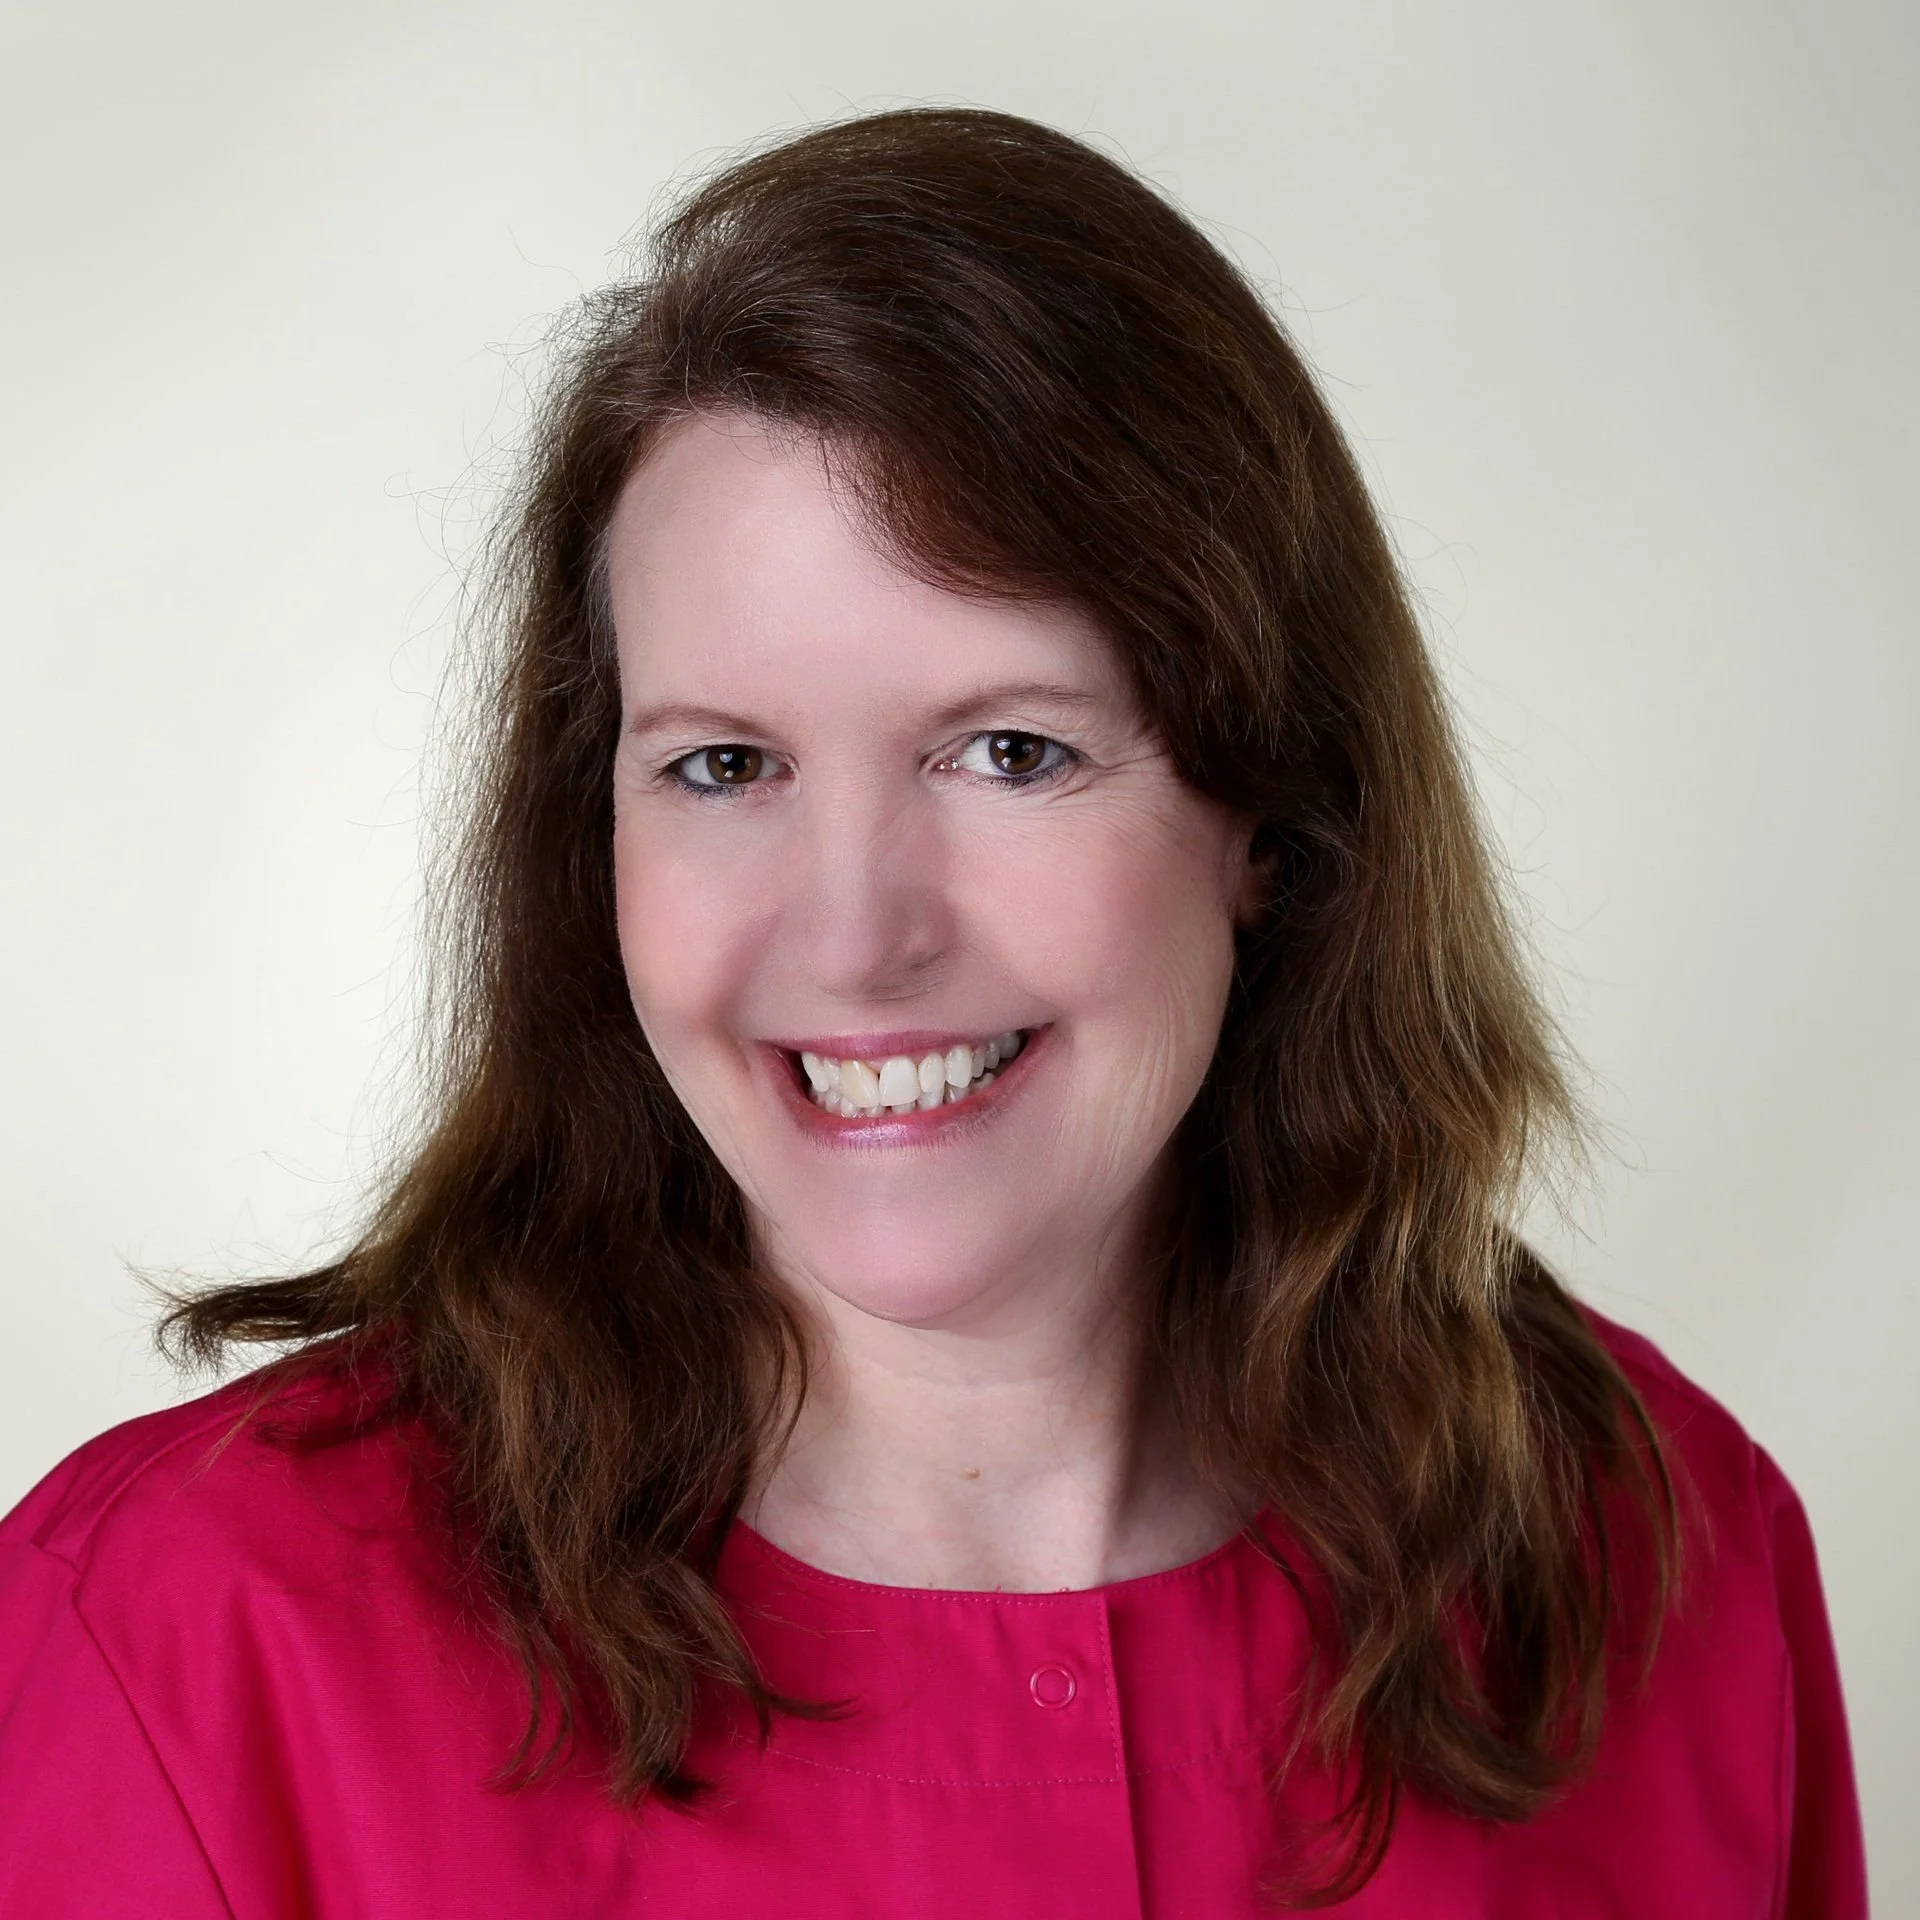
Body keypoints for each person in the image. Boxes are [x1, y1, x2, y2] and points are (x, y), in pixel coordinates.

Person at [0, 107, 1866, 1917]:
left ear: (1273, 821)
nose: (857, 929)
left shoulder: (1665, 1557)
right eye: (725, 765)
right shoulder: (179, 1643)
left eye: (1006, 749)